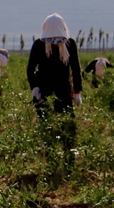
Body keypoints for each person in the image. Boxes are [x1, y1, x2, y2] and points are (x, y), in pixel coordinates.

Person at [27, 13, 82, 175]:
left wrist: (77, 91)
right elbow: (30, 69)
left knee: (65, 126)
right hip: (48, 92)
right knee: (49, 126)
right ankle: (52, 161)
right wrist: (35, 88)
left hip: (59, 91)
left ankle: (67, 162)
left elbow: (76, 69)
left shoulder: (68, 44)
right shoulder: (40, 45)